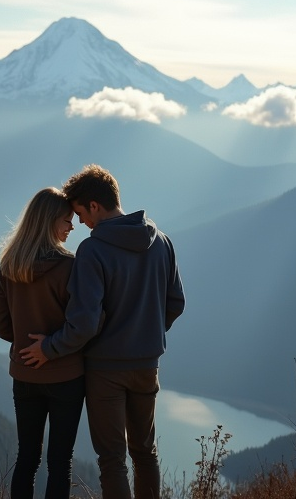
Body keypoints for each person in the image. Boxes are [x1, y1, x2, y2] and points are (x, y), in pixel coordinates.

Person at [20, 164, 185, 499]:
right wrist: (148, 331)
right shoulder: (162, 241)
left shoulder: (93, 251)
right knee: (145, 453)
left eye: (81, 214)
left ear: (94, 206)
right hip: (147, 366)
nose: (81, 223)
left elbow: (84, 323)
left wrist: (49, 348)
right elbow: (176, 303)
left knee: (112, 460)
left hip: (106, 371)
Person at [0, 187, 85, 499]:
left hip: (25, 375)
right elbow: (81, 325)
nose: (72, 227)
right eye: (67, 220)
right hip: (67, 377)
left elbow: (3, 325)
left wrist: (27, 342)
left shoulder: (10, 264)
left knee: (27, 459)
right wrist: (52, 346)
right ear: (49, 221)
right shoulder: (70, 267)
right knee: (60, 462)